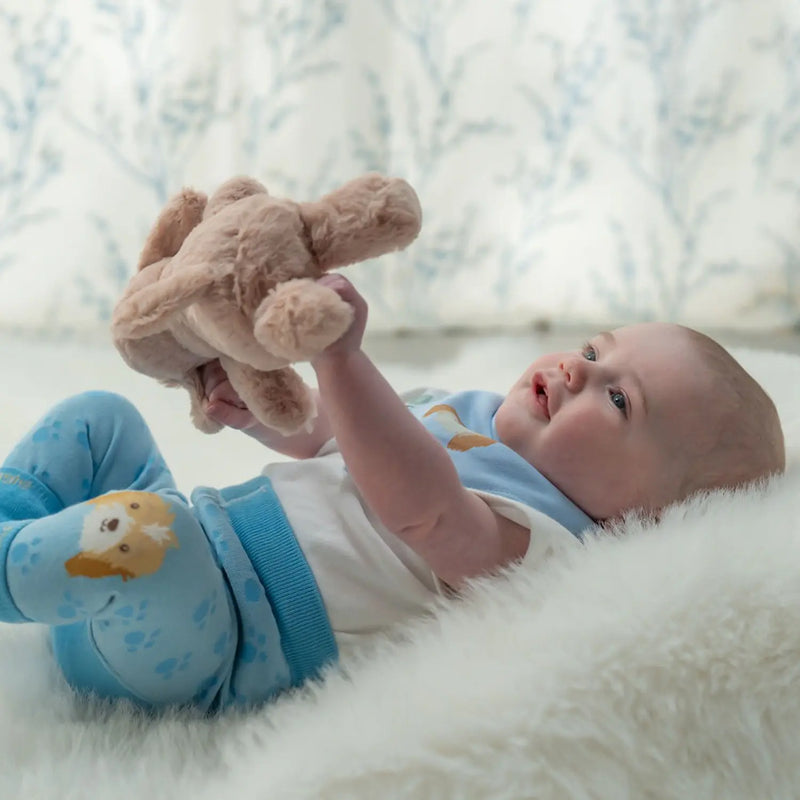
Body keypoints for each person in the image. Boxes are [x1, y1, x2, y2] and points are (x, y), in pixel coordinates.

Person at [0, 275, 785, 712]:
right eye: (592, 351)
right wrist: (262, 418)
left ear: (643, 518)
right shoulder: (471, 414)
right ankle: (27, 538)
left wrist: (344, 361)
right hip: (163, 564)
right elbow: (332, 442)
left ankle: (22, 566)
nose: (579, 371)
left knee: (146, 534)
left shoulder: (545, 539)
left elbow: (422, 509)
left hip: (210, 641)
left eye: (619, 402)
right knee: (103, 423)